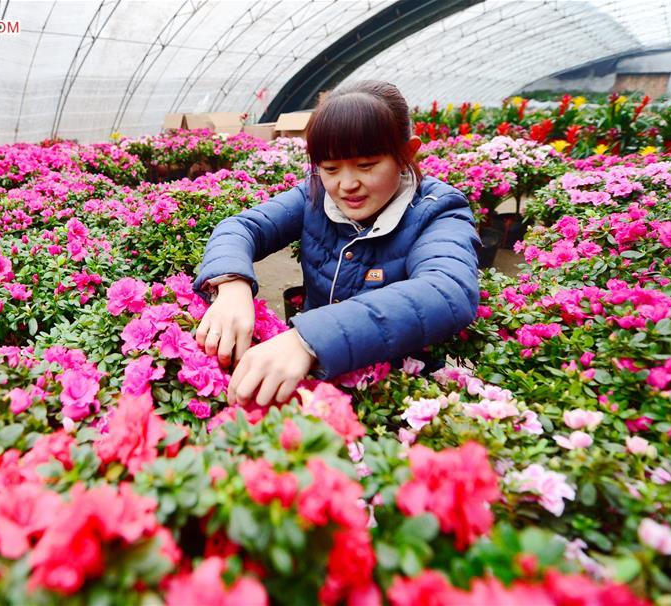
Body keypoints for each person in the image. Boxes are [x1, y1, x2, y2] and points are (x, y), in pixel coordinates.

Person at [193, 80, 480, 407]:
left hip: (393, 399)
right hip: (315, 382)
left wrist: (307, 340)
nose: (346, 185)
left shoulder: (437, 210)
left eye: (366, 165)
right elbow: (242, 227)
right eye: (330, 168)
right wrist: (231, 284)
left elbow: (446, 291)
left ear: (406, 154)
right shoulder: (314, 194)